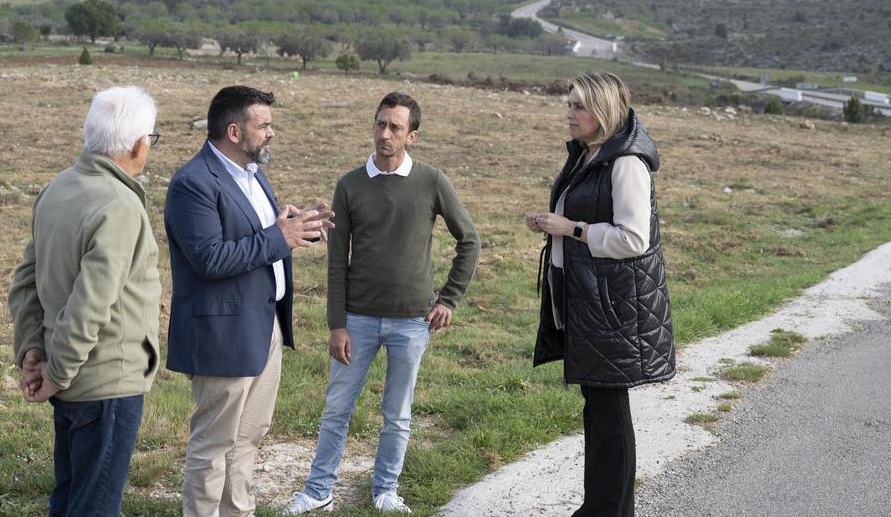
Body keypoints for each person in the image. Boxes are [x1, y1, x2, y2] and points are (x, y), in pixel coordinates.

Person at [284, 92, 480, 515]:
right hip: (356, 320)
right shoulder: (350, 184)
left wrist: (449, 299)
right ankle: (318, 491)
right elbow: (337, 259)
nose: (384, 133)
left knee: (398, 414)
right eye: (380, 124)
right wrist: (337, 323)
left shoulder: (432, 181)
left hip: (413, 321)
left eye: (395, 127)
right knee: (337, 409)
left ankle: (386, 491)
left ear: (413, 136)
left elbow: (470, 240)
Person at [165, 85, 333, 517]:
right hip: (222, 332)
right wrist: (280, 237)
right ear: (235, 131)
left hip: (264, 325)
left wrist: (293, 226)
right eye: (265, 125)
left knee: (249, 437)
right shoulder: (194, 183)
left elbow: (259, 237)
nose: (272, 133)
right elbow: (209, 258)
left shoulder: (253, 174)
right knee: (214, 445)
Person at [6, 86, 163, 516]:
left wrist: (32, 350)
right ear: (137, 143)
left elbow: (25, 282)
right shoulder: (119, 205)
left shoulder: (58, 188)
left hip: (71, 378)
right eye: (152, 138)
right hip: (106, 381)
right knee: (93, 505)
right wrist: (54, 372)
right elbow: (90, 304)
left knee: (70, 496)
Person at [525, 72, 676, 517]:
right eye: (568, 104)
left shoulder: (626, 161)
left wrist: (571, 229)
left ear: (603, 110)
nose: (569, 113)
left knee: (609, 414)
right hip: (589, 300)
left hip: (611, 307)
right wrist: (553, 223)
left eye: (578, 106)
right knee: (599, 410)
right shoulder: (591, 154)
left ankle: (609, 510)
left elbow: (634, 239)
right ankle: (603, 507)